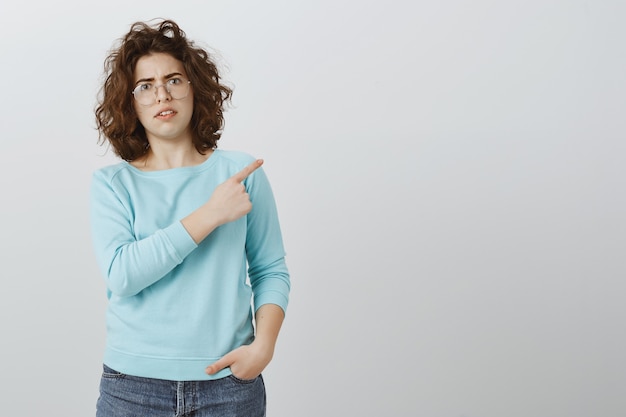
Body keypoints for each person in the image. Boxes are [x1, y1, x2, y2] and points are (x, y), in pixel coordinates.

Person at [91, 19, 290, 417]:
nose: (162, 94)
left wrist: (263, 347)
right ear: (130, 103)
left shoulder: (241, 174)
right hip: (133, 387)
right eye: (145, 86)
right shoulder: (113, 184)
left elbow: (271, 269)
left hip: (229, 387)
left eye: (174, 80)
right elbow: (122, 275)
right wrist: (210, 215)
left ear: (194, 88)